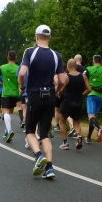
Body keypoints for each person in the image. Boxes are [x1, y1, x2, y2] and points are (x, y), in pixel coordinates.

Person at [18, 24, 67, 179]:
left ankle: (39, 155)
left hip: (34, 95)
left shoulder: (30, 52)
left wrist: (22, 87)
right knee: (44, 133)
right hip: (50, 96)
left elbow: (22, 73)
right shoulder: (56, 55)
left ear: (36, 36)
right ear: (50, 37)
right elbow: (63, 79)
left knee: (30, 130)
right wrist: (58, 90)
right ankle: (50, 168)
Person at [59, 58, 90, 150]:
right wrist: (82, 95)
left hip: (67, 102)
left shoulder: (66, 77)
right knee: (76, 123)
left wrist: (59, 92)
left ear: (68, 67)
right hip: (78, 102)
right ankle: (78, 136)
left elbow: (61, 89)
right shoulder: (83, 76)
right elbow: (89, 89)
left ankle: (65, 143)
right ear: (76, 66)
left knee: (62, 121)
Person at [0, 51, 20, 143]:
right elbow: (21, 80)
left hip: (6, 92)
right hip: (15, 92)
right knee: (10, 112)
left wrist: (1, 84)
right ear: (16, 58)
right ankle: (6, 132)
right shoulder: (18, 68)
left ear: (7, 58)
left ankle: (9, 131)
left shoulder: (2, 67)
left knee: (5, 112)